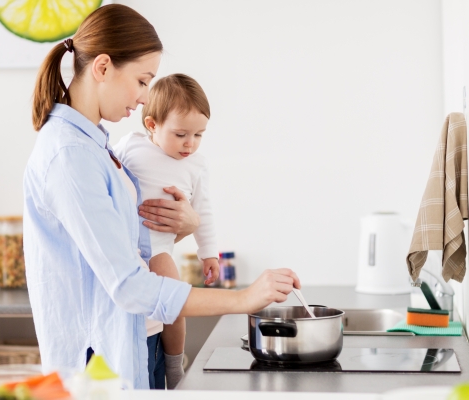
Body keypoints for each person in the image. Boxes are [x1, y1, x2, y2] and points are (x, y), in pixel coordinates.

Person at [23, 4, 301, 390]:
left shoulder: (97, 146)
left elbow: (124, 244)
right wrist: (242, 299)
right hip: (99, 366)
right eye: (141, 81)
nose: (143, 98)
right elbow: (129, 285)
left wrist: (189, 227)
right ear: (102, 68)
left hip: (142, 337)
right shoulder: (70, 156)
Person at [113, 73, 218, 389]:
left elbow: (204, 212)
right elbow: (109, 176)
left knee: (174, 301)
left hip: (158, 249)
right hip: (127, 248)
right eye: (181, 134)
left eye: (199, 134)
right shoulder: (130, 147)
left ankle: (174, 364)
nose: (190, 143)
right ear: (152, 125)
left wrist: (208, 253)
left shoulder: (195, 166)